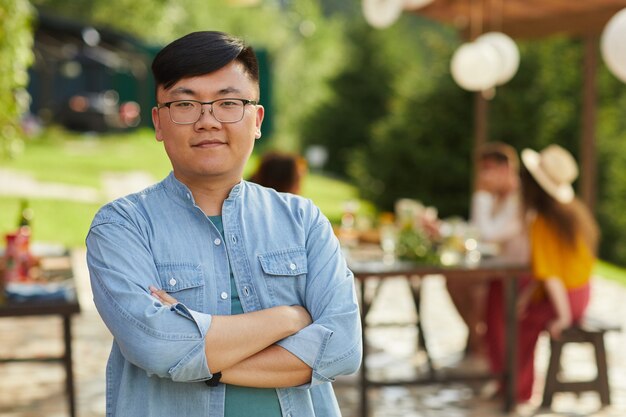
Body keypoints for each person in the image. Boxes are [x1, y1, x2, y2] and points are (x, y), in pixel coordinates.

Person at [86, 31, 362, 417]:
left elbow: (342, 350)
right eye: (185, 104)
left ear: (257, 119)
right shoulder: (122, 227)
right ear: (159, 122)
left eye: (229, 103)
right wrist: (290, 317)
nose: (208, 121)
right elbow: (157, 345)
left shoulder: (304, 221)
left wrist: (201, 362)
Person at [486, 144, 599, 402]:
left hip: (566, 298)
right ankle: (513, 383)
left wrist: (562, 316)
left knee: (522, 325)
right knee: (520, 312)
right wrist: (528, 296)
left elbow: (552, 275)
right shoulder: (571, 214)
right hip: (581, 291)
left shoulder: (542, 223)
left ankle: (518, 389)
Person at [446, 142, 529, 371]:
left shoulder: (519, 200)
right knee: (454, 280)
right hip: (496, 265)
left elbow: (486, 235)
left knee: (460, 281)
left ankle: (479, 341)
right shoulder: (498, 197)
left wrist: (480, 195)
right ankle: (479, 338)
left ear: (506, 168)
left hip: (517, 271)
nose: (483, 175)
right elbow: (477, 232)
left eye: (488, 169)